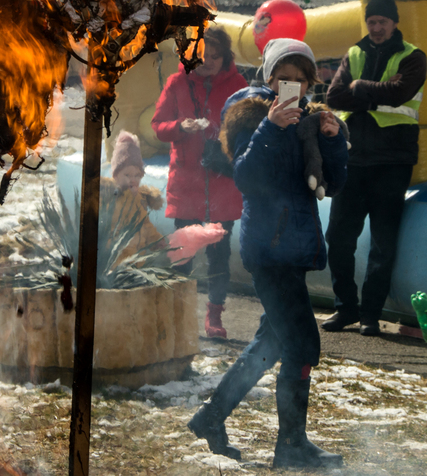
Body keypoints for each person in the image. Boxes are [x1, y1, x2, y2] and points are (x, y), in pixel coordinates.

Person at [188, 39, 347, 467]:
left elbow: (333, 183)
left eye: (299, 80)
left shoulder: (312, 121)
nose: (291, 86)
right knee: (301, 344)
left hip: (297, 244)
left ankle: (211, 416)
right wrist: (272, 127)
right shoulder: (250, 115)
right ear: (269, 78)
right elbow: (246, 176)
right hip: (268, 248)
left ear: (310, 83)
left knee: (271, 341)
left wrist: (332, 141)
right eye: (283, 78)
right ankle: (291, 446)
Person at [322, 0, 427, 336]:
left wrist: (360, 87)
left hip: (392, 160)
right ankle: (345, 308)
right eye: (372, 21)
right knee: (338, 238)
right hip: (352, 158)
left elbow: (400, 93)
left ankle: (370, 314)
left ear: (394, 23)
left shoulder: (413, 56)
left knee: (382, 244)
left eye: (383, 21)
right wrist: (370, 92)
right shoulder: (354, 53)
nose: (377, 27)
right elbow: (334, 97)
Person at [151, 26, 249, 339]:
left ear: (226, 57)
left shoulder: (238, 85)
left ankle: (214, 315)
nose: (207, 61)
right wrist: (181, 126)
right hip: (188, 183)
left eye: (214, 56)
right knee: (183, 253)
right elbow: (159, 126)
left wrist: (224, 134)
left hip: (223, 182)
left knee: (219, 254)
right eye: (201, 56)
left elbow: (246, 128)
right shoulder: (177, 81)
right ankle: (177, 312)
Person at [102, 131, 165, 263]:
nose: (133, 180)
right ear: (115, 175)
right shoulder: (110, 197)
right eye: (127, 175)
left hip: (137, 263)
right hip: (116, 265)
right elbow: (105, 229)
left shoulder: (139, 199)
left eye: (137, 175)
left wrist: (155, 240)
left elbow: (145, 224)